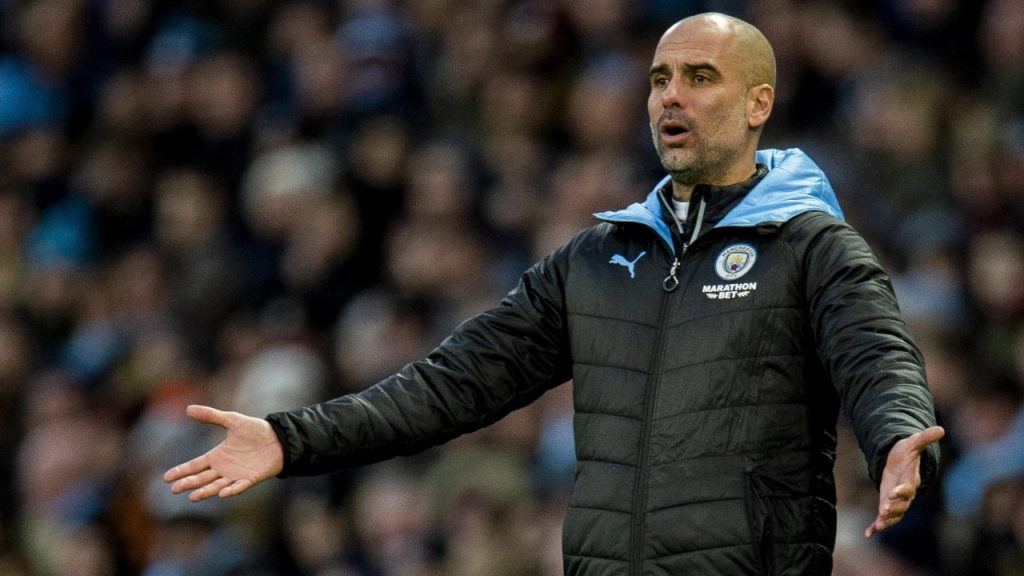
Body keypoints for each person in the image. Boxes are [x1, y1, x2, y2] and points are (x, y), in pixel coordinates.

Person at [165, 13, 943, 575]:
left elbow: (877, 355)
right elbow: (449, 387)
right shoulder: (595, 261)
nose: (671, 97)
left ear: (758, 104)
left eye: (701, 78)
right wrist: (291, 440)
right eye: (660, 79)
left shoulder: (812, 247)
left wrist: (898, 433)